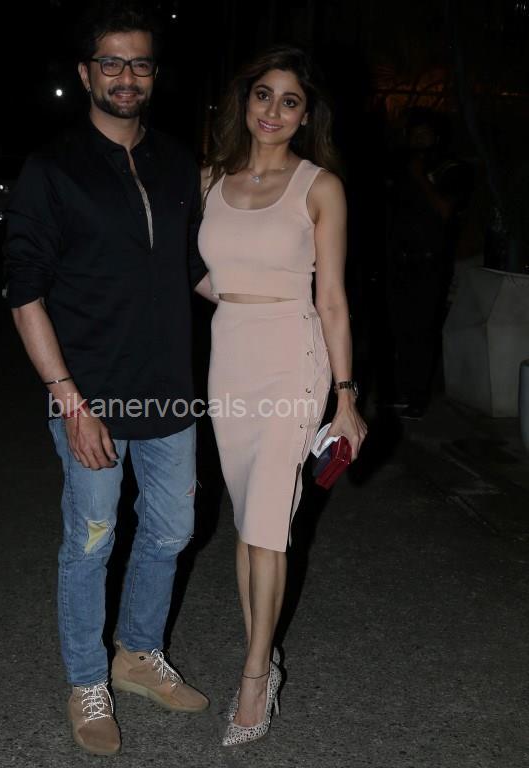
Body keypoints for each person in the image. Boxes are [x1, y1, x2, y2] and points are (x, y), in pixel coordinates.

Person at [3, 3, 209, 757]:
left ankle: (137, 654)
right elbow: (24, 292)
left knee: (172, 529)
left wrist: (281, 303)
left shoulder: (178, 163)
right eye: (112, 63)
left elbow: (194, 271)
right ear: (87, 72)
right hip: (89, 393)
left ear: (154, 74)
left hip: (170, 391)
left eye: (140, 63)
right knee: (91, 541)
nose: (127, 76)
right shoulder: (53, 168)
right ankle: (87, 679)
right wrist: (68, 400)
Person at [195, 45, 367, 746]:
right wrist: (234, 298)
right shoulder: (211, 179)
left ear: (305, 115)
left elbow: (333, 300)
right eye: (263, 94)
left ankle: (255, 675)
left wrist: (346, 398)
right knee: (248, 521)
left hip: (294, 357)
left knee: (268, 522)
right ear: (245, 100)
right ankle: (260, 654)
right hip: (229, 355)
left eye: (288, 101)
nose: (272, 110)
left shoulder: (319, 187)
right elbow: (194, 270)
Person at [384, 108, 471, 419]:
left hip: (430, 264)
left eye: (424, 134)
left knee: (422, 330)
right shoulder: (398, 165)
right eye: (414, 134)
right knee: (398, 329)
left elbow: (446, 210)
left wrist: (421, 177)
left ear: (436, 136)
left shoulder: (450, 168)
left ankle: (418, 398)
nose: (418, 140)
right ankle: (401, 391)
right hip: (398, 262)